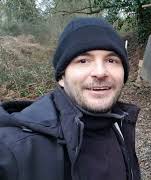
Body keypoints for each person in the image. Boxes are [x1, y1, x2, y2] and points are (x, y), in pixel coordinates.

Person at [0, 17, 141, 180]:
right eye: (83, 60)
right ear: (61, 77)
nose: (100, 72)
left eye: (111, 60)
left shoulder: (120, 124)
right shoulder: (15, 149)